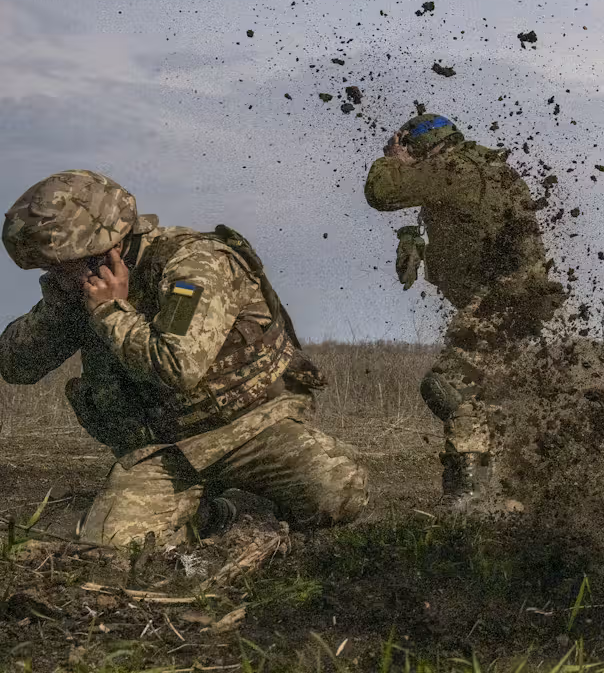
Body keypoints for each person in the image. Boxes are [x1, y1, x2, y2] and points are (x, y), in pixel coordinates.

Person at [0, 170, 368, 548]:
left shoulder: (194, 264)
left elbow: (178, 366)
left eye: (62, 265)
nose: (57, 276)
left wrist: (111, 312)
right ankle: (213, 513)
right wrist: (62, 309)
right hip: (164, 450)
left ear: (102, 249)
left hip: (250, 428)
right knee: (112, 546)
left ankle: (248, 507)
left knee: (339, 491)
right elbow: (15, 366)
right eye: (51, 270)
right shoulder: (82, 287)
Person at [364, 113, 566, 509]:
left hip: (504, 302)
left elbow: (383, 193)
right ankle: (503, 493)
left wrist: (391, 159)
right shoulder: (483, 168)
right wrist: (416, 242)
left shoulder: (453, 166)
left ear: (423, 146)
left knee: (449, 386)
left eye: (411, 149)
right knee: (484, 397)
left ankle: (471, 493)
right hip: (515, 301)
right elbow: (471, 229)